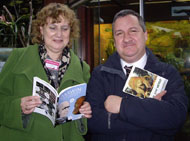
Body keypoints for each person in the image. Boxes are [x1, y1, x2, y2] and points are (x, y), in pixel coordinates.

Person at [86, 9, 188, 141]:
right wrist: (151, 112)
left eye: (133, 31)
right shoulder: (100, 74)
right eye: (119, 33)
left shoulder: (167, 73)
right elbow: (93, 122)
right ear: (114, 40)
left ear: (145, 35)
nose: (127, 38)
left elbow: (175, 118)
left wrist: (122, 106)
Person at [0, 3, 92, 141]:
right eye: (53, 27)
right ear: (41, 30)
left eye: (64, 28)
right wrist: (18, 107)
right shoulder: (18, 58)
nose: (59, 34)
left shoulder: (82, 67)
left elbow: (89, 110)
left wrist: (86, 109)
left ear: (70, 32)